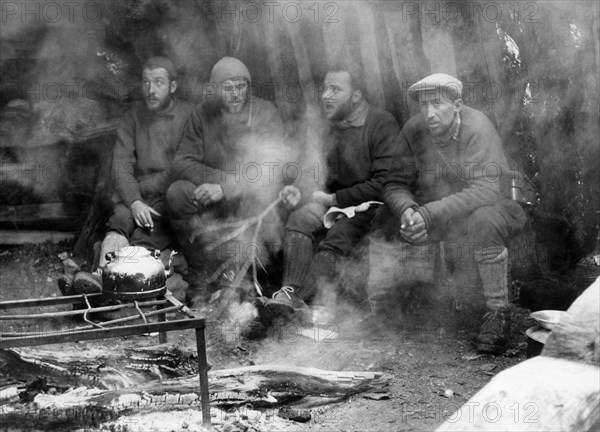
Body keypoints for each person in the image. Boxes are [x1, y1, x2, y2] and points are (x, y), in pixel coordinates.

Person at [378, 73, 527, 354]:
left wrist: (428, 213)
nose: (429, 113)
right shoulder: (414, 129)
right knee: (387, 218)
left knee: (484, 219)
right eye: (424, 105)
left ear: (457, 104)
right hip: (445, 213)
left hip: (495, 206)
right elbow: (394, 183)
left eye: (437, 104)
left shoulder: (477, 127)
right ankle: (405, 298)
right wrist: (409, 212)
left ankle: (498, 314)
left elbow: (487, 189)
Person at [264, 60, 400, 318]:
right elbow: (320, 174)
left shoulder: (382, 124)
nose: (326, 96)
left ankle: (300, 302)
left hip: (374, 206)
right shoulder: (331, 128)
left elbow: (384, 183)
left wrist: (336, 198)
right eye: (325, 88)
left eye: (335, 90)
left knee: (339, 234)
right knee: (300, 219)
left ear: (357, 96)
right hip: (336, 202)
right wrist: (301, 192)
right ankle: (289, 293)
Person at [166, 56, 298, 306]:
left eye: (241, 86)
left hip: (255, 200)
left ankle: (238, 285)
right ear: (215, 90)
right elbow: (182, 162)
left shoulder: (264, 112)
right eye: (228, 88)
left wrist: (226, 188)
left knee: (259, 199)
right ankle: (204, 271)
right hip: (216, 200)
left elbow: (273, 168)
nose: (236, 94)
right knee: (177, 193)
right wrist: (218, 184)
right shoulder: (201, 115)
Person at [70, 57, 193, 294]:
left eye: (158, 83)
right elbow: (121, 166)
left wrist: (143, 196)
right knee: (118, 223)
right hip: (137, 196)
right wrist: (135, 201)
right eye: (146, 83)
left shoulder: (189, 117)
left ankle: (125, 288)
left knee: (143, 237)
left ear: (173, 87)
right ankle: (100, 281)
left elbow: (184, 167)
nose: (151, 90)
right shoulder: (132, 118)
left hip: (169, 198)